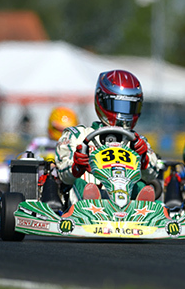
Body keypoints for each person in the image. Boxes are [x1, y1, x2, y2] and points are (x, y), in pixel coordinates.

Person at [55, 69, 161, 204]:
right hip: (84, 208)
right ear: (101, 101)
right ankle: (91, 199)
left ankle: (144, 208)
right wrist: (77, 167)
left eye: (130, 107)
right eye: (119, 105)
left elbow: (152, 174)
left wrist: (143, 158)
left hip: (129, 206)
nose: (123, 112)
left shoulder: (137, 142)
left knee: (141, 186)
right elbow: (64, 175)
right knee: (80, 183)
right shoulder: (77, 135)